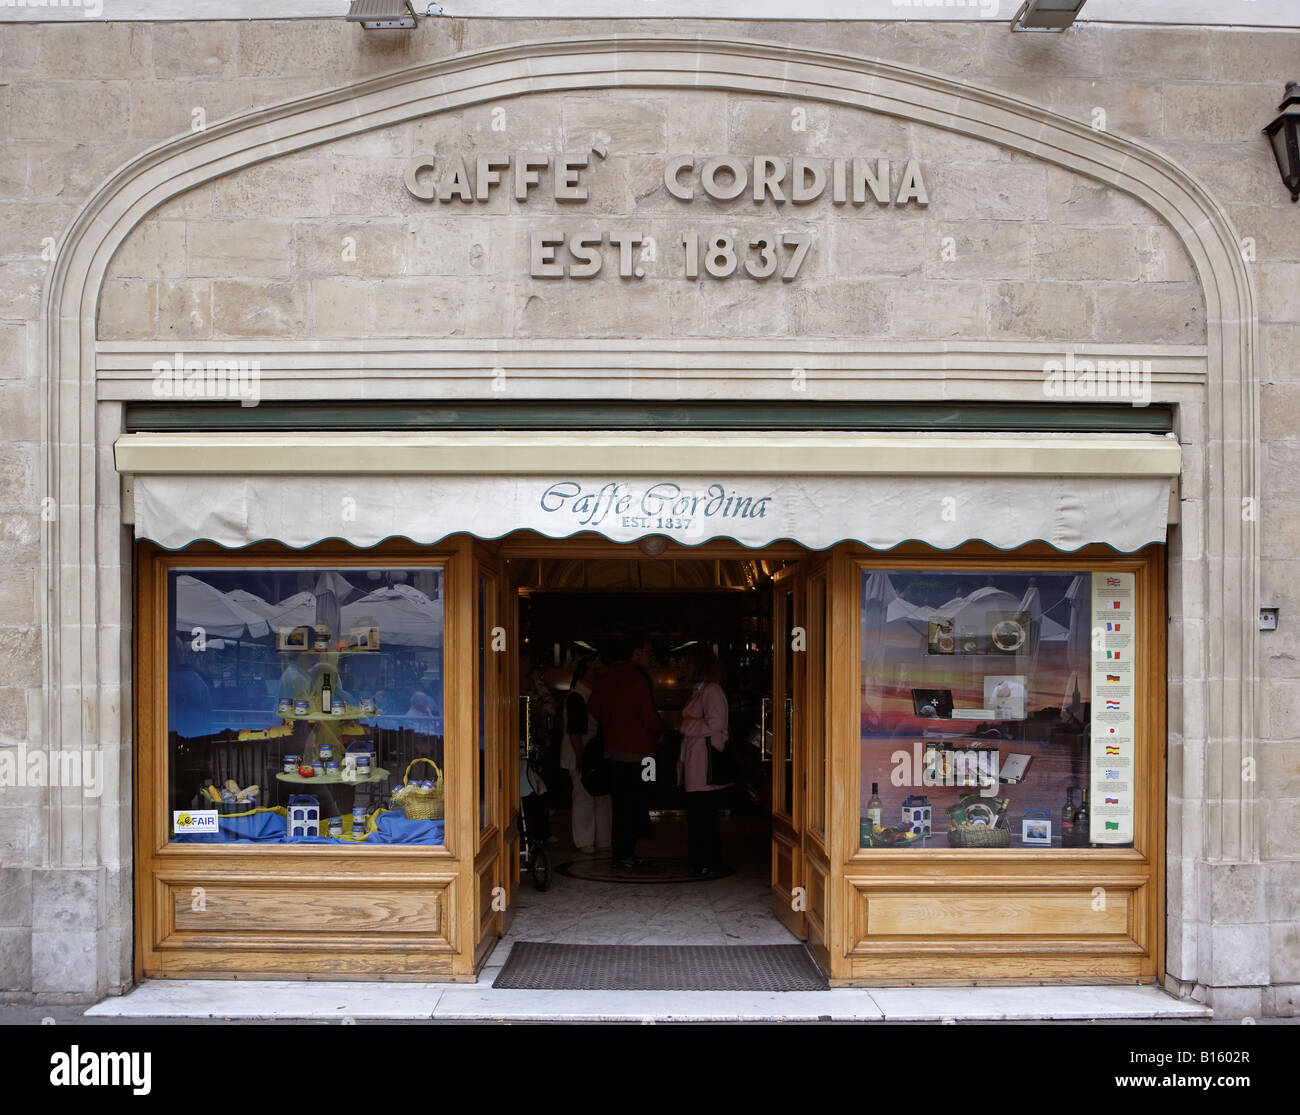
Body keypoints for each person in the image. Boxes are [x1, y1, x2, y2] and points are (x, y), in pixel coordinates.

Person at [587, 635, 663, 869]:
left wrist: (613, 726)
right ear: (636, 652)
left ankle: (621, 852)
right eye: (649, 652)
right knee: (638, 800)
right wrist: (661, 731)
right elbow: (649, 716)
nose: (651, 657)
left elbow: (593, 708)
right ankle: (628, 851)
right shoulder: (639, 678)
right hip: (641, 753)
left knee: (620, 804)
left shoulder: (607, 675)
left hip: (614, 753)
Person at [677, 645, 733, 878]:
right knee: (701, 815)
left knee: (703, 815)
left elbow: (716, 724)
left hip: (704, 765)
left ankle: (705, 861)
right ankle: (703, 860)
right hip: (697, 762)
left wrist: (685, 726)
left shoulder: (711, 691)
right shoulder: (701, 690)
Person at [561, 656, 610, 854]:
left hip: (592, 754)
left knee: (599, 796)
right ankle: (585, 841)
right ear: (583, 673)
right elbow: (575, 732)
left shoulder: (587, 694)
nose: (596, 674)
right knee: (584, 797)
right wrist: (580, 756)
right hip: (582, 755)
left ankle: (601, 840)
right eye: (593, 670)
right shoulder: (578, 696)